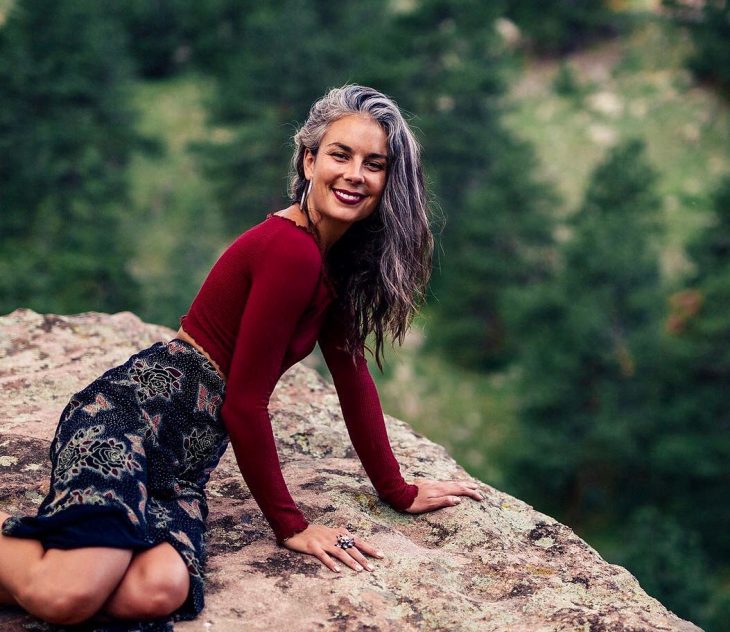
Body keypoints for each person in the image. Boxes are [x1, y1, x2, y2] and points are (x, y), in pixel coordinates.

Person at [0, 85, 483, 628]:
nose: (355, 175)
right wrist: (291, 525)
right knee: (69, 596)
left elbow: (352, 378)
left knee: (158, 589)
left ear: (388, 182)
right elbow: (244, 405)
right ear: (309, 160)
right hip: (129, 421)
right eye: (340, 155)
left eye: (374, 164)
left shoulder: (332, 261)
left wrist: (398, 490)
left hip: (183, 459)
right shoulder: (290, 251)